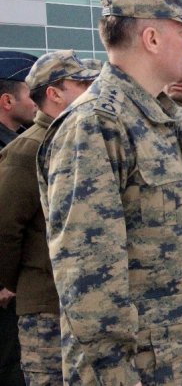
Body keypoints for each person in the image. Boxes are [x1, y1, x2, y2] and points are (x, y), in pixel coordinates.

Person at [36, 0, 182, 384]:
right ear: (153, 37)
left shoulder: (168, 120)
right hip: (138, 370)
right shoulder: (96, 125)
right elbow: (87, 271)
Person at [0, 50, 98, 385]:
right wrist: (15, 282)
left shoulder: (78, 138)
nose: (91, 89)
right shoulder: (29, 149)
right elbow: (4, 226)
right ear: (54, 94)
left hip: (79, 300)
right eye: (81, 83)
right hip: (44, 302)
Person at [0, 50, 38, 386]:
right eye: (30, 90)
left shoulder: (21, 139)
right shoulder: (13, 150)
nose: (38, 97)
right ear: (7, 101)